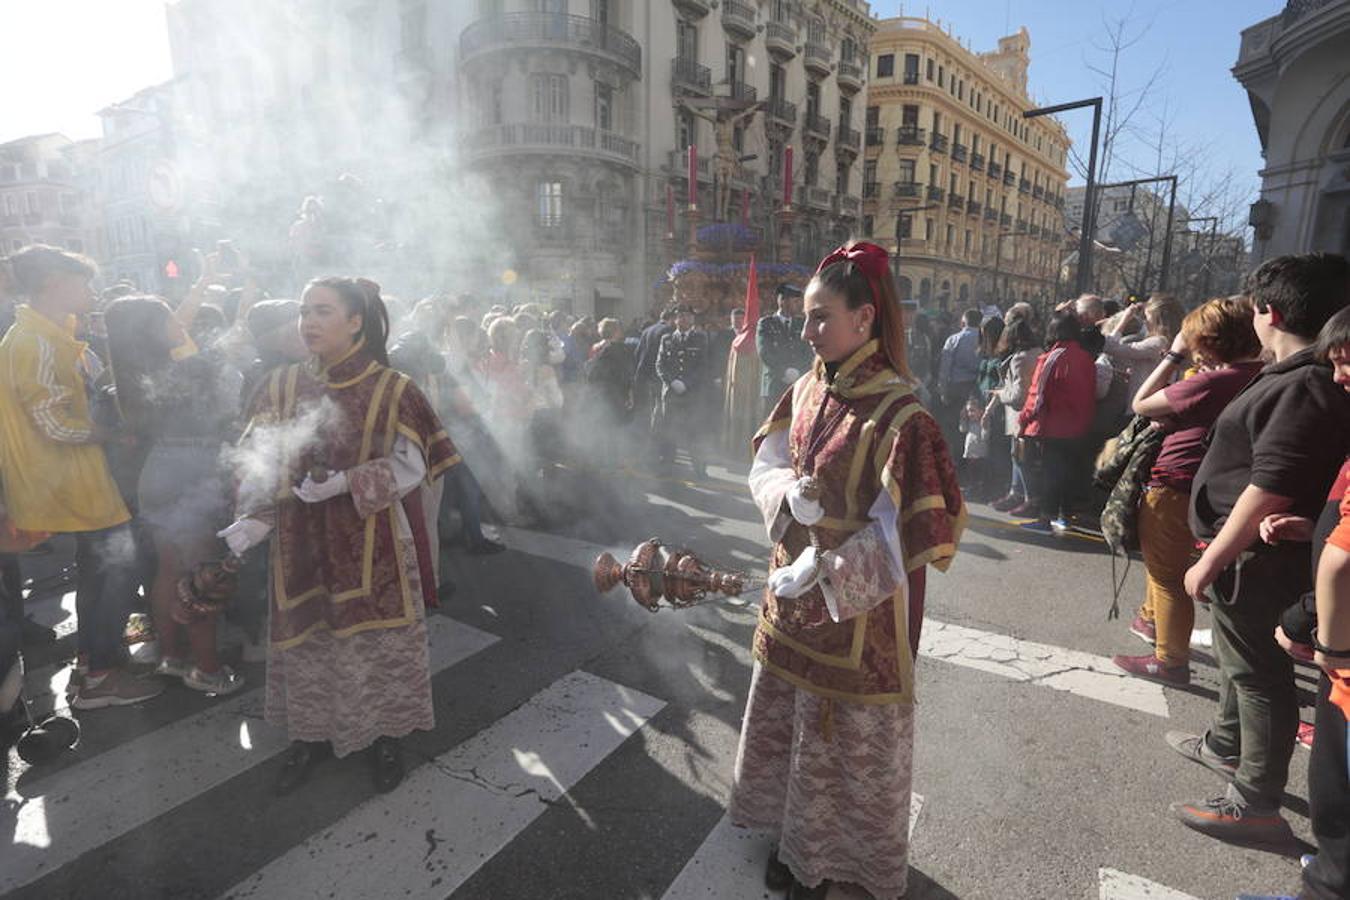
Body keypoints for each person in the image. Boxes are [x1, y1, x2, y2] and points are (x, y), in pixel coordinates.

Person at [733, 242, 964, 900]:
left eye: (819, 318)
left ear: (864, 319)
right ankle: (790, 838)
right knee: (793, 729)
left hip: (855, 611)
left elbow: (909, 531)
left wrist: (827, 568)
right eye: (805, 318)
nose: (805, 331)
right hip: (792, 598)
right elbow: (766, 462)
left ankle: (833, 861)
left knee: (838, 746)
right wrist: (785, 495)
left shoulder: (903, 415)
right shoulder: (805, 386)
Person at [218, 276, 458, 795]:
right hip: (298, 541)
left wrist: (348, 483)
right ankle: (310, 737)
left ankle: (385, 736)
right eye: (304, 310)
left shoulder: (394, 388)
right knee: (310, 641)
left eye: (323, 311)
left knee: (373, 642)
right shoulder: (280, 384)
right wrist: (255, 516)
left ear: (356, 322)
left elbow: (412, 467)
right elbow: (261, 459)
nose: (308, 321)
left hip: (371, 535)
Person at [1168, 253, 1350, 843]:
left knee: (1257, 676)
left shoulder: (1304, 383)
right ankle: (1226, 745)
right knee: (1240, 664)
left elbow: (1267, 485)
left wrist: (1212, 558)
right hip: (1263, 551)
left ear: (1267, 311)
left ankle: (1254, 802)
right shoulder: (1297, 376)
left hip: (1256, 560)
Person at [0, 245, 163, 709]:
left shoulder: (44, 335)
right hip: (70, 481)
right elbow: (54, 424)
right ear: (54, 282)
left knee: (102, 572)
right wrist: (115, 433)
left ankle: (96, 666)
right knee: (113, 570)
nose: (90, 292)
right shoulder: (34, 342)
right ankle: (100, 676)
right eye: (83, 282)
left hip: (73, 481)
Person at [1109, 298, 1263, 686]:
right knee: (1165, 565)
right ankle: (1151, 618)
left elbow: (1142, 402)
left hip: (1175, 482)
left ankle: (1169, 661)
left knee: (1167, 574)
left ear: (1209, 342)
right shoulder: (1259, 374)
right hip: (1205, 482)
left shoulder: (1214, 380)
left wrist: (1174, 355)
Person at [105, 295, 246, 695]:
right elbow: (233, 348)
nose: (179, 320)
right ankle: (207, 669)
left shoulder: (135, 374)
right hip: (193, 471)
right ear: (152, 328)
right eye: (169, 314)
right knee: (202, 574)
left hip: (160, 469)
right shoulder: (192, 369)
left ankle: (171, 657)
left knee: (169, 568)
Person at [1016, 311, 1097, 534]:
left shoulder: (1051, 357)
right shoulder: (1086, 357)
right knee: (1068, 472)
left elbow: (1037, 396)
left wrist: (1023, 419)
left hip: (1054, 426)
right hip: (1078, 425)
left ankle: (1044, 519)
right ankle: (1064, 516)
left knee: (1050, 473)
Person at [986, 318, 1041, 514]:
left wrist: (1000, 394)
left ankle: (1028, 498)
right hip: (1034, 413)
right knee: (1020, 456)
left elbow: (1019, 395)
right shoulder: (1038, 352)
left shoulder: (1020, 358)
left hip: (1020, 415)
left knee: (1020, 457)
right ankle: (1017, 493)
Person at [654, 306, 710, 478]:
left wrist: (687, 382)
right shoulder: (667, 338)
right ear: (675, 320)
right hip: (671, 394)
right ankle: (667, 466)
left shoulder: (700, 338)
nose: (683, 319)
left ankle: (699, 469)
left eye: (687, 316)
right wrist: (672, 382)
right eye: (680, 316)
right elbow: (660, 364)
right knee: (669, 431)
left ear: (692, 320)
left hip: (692, 395)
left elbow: (704, 366)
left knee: (694, 432)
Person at [584, 317, 634, 467]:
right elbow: (626, 374)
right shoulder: (622, 349)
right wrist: (629, 393)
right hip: (615, 393)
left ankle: (599, 457)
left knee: (600, 426)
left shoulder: (595, 347)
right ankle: (613, 459)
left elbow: (588, 370)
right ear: (616, 331)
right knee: (615, 428)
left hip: (596, 393)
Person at [755, 284, 811, 415]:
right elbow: (764, 352)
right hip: (774, 383)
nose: (799, 304)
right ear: (782, 301)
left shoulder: (801, 324)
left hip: (798, 383)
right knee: (773, 429)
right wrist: (783, 371)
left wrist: (799, 371)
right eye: (795, 301)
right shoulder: (766, 323)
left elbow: (808, 352)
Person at [936, 308, 983, 455]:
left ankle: (955, 456)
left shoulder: (954, 339)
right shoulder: (984, 339)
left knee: (955, 423)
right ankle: (971, 457)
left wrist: (942, 389)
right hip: (977, 387)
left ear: (964, 321)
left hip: (956, 386)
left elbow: (945, 367)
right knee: (975, 423)